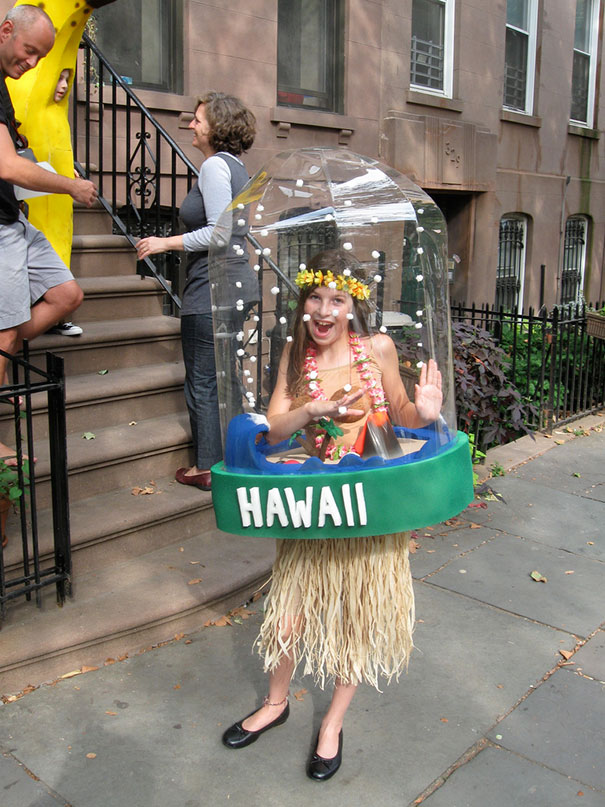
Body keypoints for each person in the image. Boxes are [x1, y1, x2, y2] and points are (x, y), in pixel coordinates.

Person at [221, 249, 443, 781]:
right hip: (313, 504)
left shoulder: (378, 348)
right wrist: (309, 411)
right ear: (304, 304)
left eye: (337, 300)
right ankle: (275, 704)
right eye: (316, 299)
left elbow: (400, 413)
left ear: (353, 305)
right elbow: (271, 430)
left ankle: (332, 724)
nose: (324, 311)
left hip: (369, 506)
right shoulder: (295, 355)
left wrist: (424, 412)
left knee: (354, 618)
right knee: (288, 616)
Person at [136, 91, 257, 492]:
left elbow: (219, 234)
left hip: (212, 288)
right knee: (226, 378)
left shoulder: (214, 166)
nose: (191, 124)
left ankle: (206, 467)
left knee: (204, 380)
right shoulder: (237, 167)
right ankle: (236, 457)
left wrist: (164, 243)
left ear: (217, 127)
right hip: (237, 285)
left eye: (198, 119)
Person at [0, 5, 96, 459]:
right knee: (4, 331)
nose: (33, 62)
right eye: (29, 50)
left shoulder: (4, 84)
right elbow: (5, 165)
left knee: (66, 295)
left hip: (13, 216)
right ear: (6, 30)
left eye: (40, 56)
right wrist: (68, 185)